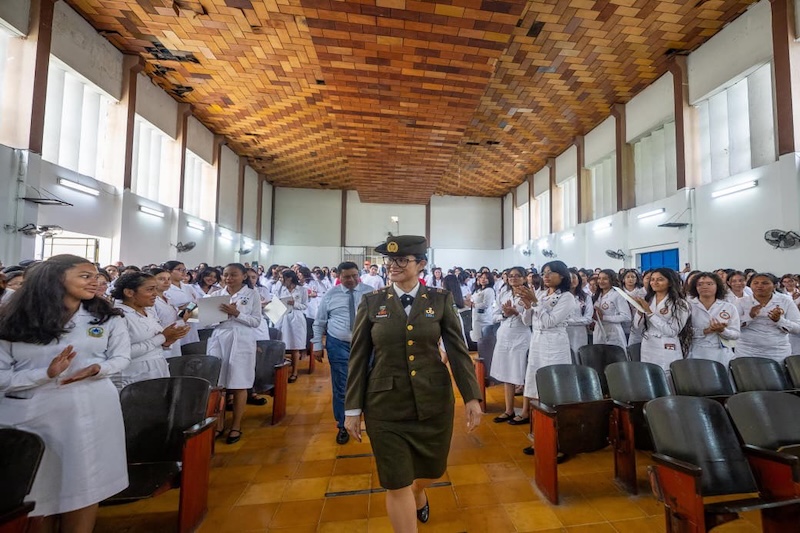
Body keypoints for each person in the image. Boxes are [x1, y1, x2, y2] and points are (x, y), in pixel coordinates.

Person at [344, 236, 482, 532]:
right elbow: (358, 358)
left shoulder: (439, 299)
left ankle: (419, 491)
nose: (393, 266)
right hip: (385, 405)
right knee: (396, 482)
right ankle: (408, 495)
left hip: (433, 401)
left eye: (402, 260)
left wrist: (472, 397)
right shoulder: (372, 302)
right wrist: (352, 409)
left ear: (421, 264)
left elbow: (458, 351)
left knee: (432, 470)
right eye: (390, 261)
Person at [0, 255, 131, 531]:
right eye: (85, 276)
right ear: (55, 280)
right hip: (34, 416)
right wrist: (43, 375)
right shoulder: (13, 320)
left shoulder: (106, 317)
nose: (96, 282)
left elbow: (121, 357)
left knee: (86, 481)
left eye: (96, 276)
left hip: (93, 409)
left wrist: (98, 368)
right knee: (38, 490)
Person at [516, 260, 576, 454]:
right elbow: (528, 321)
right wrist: (527, 306)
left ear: (562, 275)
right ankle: (540, 438)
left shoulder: (566, 298)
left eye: (551, 272)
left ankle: (559, 444)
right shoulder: (541, 294)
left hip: (555, 345)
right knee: (536, 391)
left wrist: (534, 303)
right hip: (537, 345)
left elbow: (550, 321)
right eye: (544, 273)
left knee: (553, 393)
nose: (546, 276)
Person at [311, 261, 373, 445]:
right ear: (338, 276)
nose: (352, 279)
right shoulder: (330, 295)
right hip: (338, 344)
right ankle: (342, 425)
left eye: (355, 275)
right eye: (347, 276)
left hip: (365, 345)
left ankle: (370, 421)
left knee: (369, 383)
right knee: (342, 386)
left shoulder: (370, 292)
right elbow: (320, 321)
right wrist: (316, 345)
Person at [207, 263, 263, 444]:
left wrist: (236, 313)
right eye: (225, 275)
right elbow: (207, 323)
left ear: (243, 276)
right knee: (219, 384)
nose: (229, 278)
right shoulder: (216, 295)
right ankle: (220, 424)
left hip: (242, 339)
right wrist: (219, 316)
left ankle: (236, 425)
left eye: (233, 275)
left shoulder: (252, 294)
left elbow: (255, 321)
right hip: (219, 338)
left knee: (240, 383)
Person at [111, 272, 189, 390]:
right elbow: (122, 352)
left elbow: (153, 342)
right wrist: (162, 337)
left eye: (156, 289)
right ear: (129, 292)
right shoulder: (118, 316)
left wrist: (167, 341)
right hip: (132, 375)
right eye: (150, 290)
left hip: (155, 370)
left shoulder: (148, 312)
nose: (155, 294)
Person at [489, 266, 532, 425]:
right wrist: (504, 314)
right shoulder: (503, 293)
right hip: (504, 334)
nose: (514, 278)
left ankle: (526, 411)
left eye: (518, 276)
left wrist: (516, 313)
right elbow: (493, 316)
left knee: (523, 374)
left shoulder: (529, 294)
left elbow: (531, 319)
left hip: (521, 336)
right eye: (511, 276)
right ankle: (509, 410)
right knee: (508, 374)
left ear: (524, 278)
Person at [630, 268, 690, 375]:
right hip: (648, 343)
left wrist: (649, 312)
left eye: (660, 279)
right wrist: (640, 310)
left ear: (670, 282)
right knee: (648, 375)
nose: (654, 282)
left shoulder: (680, 303)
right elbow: (637, 327)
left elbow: (672, 331)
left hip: (666, 344)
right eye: (652, 279)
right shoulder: (648, 300)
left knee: (666, 376)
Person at [736, 273, 800, 362]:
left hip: (777, 351)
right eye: (755, 283)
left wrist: (779, 320)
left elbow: (797, 328)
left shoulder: (786, 301)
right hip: (747, 350)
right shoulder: (740, 302)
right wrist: (749, 316)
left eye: (765, 283)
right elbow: (732, 326)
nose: (759, 286)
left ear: (774, 286)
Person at [687, 272, 740, 366]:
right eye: (700, 284)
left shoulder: (729, 307)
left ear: (717, 286)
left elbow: (736, 334)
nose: (704, 287)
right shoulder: (687, 306)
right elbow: (683, 332)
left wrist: (722, 330)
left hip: (721, 353)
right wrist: (706, 331)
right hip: (696, 351)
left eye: (709, 284)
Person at [275, 269, 308, 383]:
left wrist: (295, 304)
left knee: (295, 346)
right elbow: (274, 302)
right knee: (281, 345)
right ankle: (280, 372)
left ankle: (294, 372)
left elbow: (305, 306)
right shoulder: (279, 288)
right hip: (283, 317)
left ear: (289, 278)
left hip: (296, 319)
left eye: (282, 278)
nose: (280, 280)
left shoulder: (302, 290)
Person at [592, 269, 631, 350]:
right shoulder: (597, 295)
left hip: (613, 332)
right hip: (598, 331)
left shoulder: (617, 295)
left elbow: (626, 317)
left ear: (612, 280)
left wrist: (603, 317)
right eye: (599, 278)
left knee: (614, 359)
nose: (601, 281)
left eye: (605, 279)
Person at [163, 261, 200, 345]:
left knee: (191, 349)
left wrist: (189, 306)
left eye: (184, 270)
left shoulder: (189, 288)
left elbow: (196, 302)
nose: (184, 272)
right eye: (180, 270)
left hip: (191, 323)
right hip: (174, 325)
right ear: (168, 271)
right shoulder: (165, 289)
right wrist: (182, 308)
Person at [566, 267, 593, 357]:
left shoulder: (585, 297)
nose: (571, 280)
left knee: (579, 357)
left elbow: (588, 318)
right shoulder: (559, 296)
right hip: (563, 333)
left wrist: (568, 321)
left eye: (574, 277)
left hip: (580, 333)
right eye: (568, 278)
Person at [469, 271, 495, 342]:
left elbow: (486, 304)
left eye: (486, 278)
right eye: (482, 278)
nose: (483, 280)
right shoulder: (478, 290)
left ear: (490, 280)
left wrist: (474, 305)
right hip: (476, 317)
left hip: (484, 319)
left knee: (484, 339)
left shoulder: (489, 290)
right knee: (477, 338)